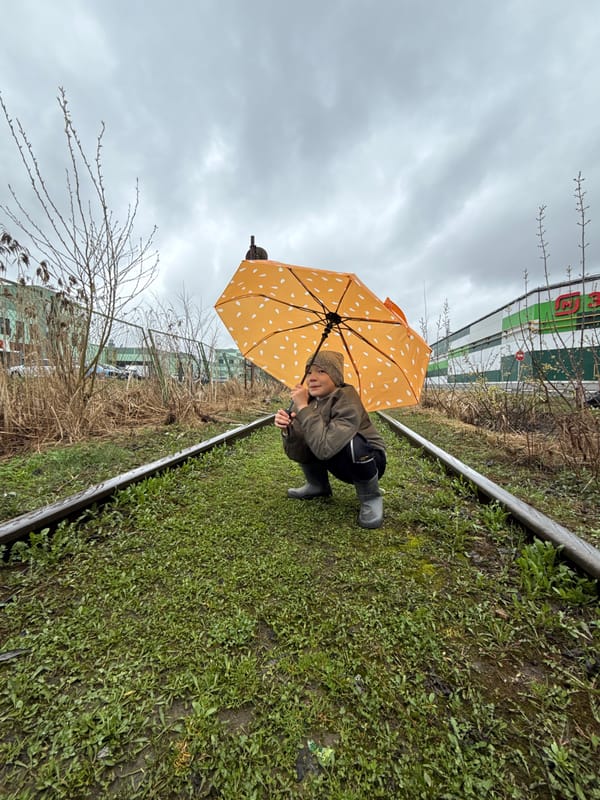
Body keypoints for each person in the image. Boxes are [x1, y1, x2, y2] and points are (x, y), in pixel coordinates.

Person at [274, 350, 387, 529]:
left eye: (321, 371)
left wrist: (303, 408)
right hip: (333, 456)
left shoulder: (347, 399)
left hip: (368, 461)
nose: (312, 377)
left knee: (352, 443)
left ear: (335, 376)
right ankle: (317, 485)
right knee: (308, 433)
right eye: (309, 371)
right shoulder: (309, 402)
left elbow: (325, 447)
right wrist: (288, 429)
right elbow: (298, 451)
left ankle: (371, 498)